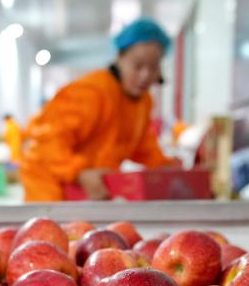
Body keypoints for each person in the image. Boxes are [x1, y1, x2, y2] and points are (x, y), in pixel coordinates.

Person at [19, 18, 178, 201]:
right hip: (49, 187)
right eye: (138, 65)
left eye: (153, 67)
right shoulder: (91, 93)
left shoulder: (142, 102)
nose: (145, 75)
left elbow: (142, 146)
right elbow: (46, 143)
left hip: (89, 191)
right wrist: (79, 173)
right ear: (120, 58)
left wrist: (167, 167)